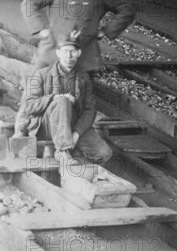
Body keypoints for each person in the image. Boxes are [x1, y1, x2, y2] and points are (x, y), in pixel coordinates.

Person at [14, 33, 112, 164]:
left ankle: (73, 152)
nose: (69, 56)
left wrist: (76, 134)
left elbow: (90, 110)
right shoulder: (41, 75)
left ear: (79, 53)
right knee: (62, 101)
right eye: (65, 51)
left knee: (104, 153)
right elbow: (28, 105)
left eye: (73, 52)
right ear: (58, 53)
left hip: (73, 126)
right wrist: (55, 98)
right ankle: (62, 151)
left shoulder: (84, 78)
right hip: (47, 126)